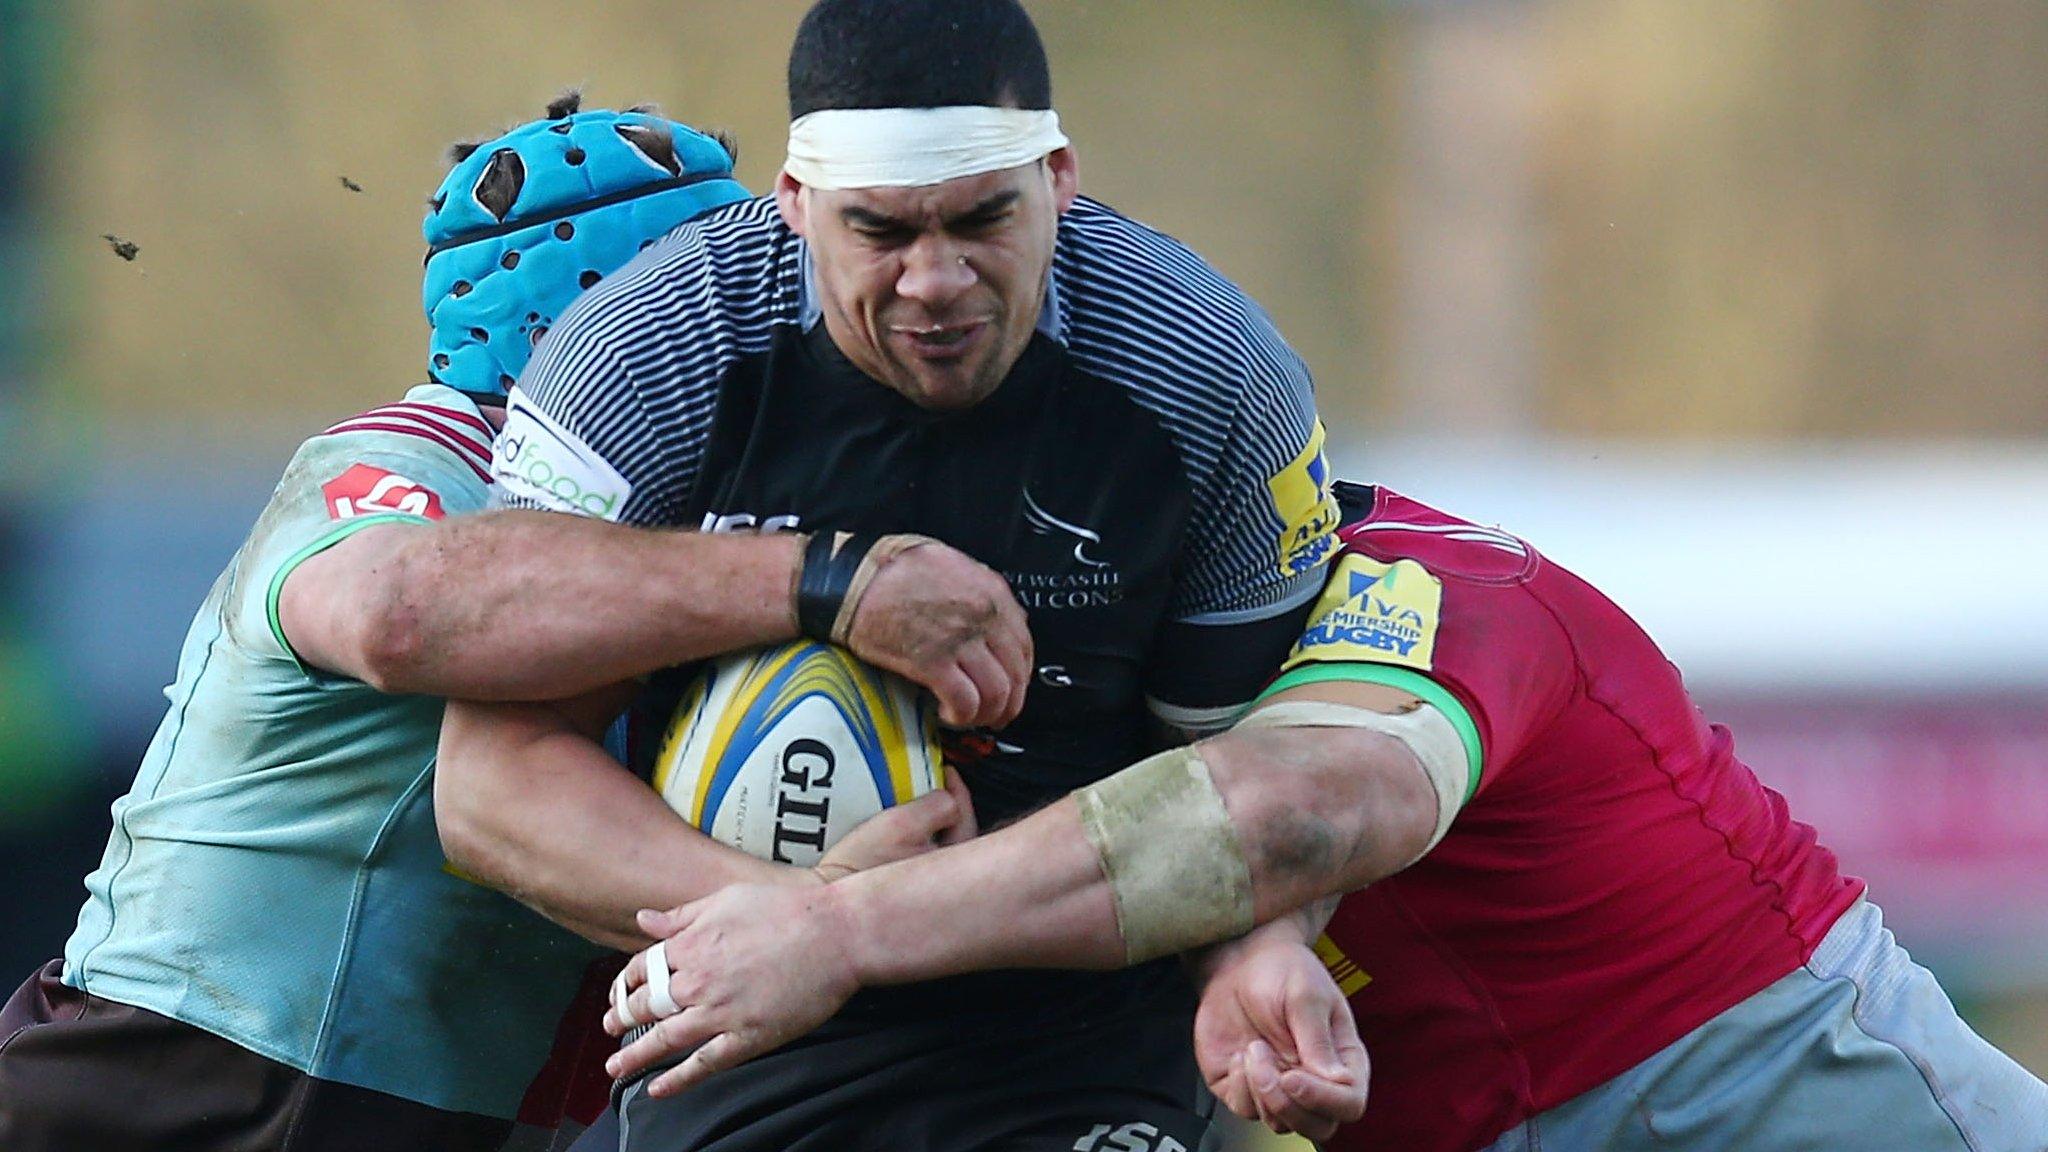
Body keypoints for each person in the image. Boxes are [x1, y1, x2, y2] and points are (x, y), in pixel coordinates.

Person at [0, 97, 983, 1152]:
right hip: (188, 1087)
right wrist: (823, 585)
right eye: (718, 307)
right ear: (616, 320)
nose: (762, 345)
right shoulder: (427, 461)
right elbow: (395, 611)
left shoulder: (676, 527)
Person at [437, 1, 1342, 1148]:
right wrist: (784, 926)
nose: (934, 280)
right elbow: (488, 781)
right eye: (879, 232)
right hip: (736, 1027)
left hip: (1082, 1046)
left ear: (1058, 179)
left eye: (981, 220)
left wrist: (1262, 952)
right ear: (795, 204)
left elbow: (1257, 784)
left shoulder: (1207, 375)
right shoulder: (651, 349)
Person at [607, 479, 2048, 1152]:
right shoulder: (1047, 658)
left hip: (1765, 1095)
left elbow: (1284, 811)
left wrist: (832, 929)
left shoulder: (1415, 581)